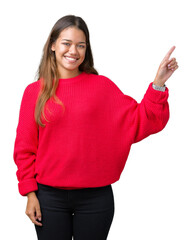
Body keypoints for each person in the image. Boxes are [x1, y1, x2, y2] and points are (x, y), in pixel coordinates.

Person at [13, 15, 178, 240]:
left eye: (81, 45)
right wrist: (29, 193)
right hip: (48, 198)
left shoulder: (102, 87)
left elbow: (141, 120)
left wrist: (158, 83)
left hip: (95, 198)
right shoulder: (34, 92)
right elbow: (24, 148)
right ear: (52, 45)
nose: (73, 51)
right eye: (66, 43)